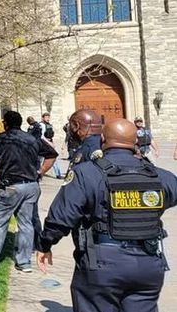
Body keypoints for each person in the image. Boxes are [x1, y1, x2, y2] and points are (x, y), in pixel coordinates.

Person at [37, 119, 177, 311]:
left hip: (103, 262)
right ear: (136, 141)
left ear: (103, 139)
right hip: (148, 262)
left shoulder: (86, 173)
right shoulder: (160, 176)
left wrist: (46, 244)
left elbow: (62, 216)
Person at [0, 110, 57, 272]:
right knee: (26, 224)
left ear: (5, 123)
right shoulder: (32, 139)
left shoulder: (0, 139)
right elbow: (52, 154)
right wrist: (41, 171)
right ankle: (24, 262)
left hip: (9, 186)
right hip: (31, 186)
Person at [41, 113, 63, 179]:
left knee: (53, 157)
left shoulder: (49, 125)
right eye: (46, 117)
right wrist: (49, 142)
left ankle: (58, 174)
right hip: (43, 143)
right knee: (38, 159)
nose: (48, 118)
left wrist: (52, 142)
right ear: (43, 118)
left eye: (48, 117)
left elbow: (50, 134)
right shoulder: (42, 125)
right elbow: (41, 136)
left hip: (49, 142)